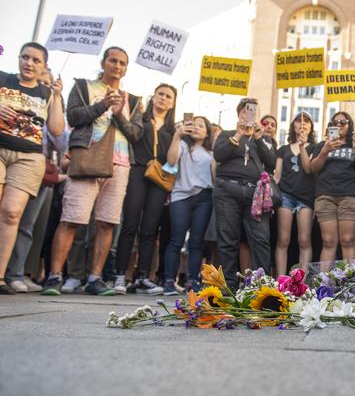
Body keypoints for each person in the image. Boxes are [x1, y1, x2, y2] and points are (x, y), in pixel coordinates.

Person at [42, 46, 143, 296]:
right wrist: (102, 105)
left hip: (119, 164)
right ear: (104, 62)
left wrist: (119, 115)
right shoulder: (83, 87)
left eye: (122, 62)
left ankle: (95, 278)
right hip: (87, 158)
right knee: (72, 219)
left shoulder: (135, 99)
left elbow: (136, 134)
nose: (117, 66)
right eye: (113, 60)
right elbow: (74, 117)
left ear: (126, 68)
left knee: (107, 223)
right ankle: (54, 276)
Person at [0, 42, 64, 295]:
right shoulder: (3, 79)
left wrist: (57, 96)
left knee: (12, 214)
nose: (29, 63)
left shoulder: (47, 94)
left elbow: (57, 129)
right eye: (25, 57)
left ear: (43, 66)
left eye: (36, 60)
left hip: (29, 158)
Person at [113, 83, 177, 295]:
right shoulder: (141, 117)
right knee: (130, 223)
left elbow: (173, 160)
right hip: (138, 171)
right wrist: (120, 115)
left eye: (168, 96)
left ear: (173, 102)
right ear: (153, 96)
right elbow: (131, 134)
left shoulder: (172, 128)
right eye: (160, 94)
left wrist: (177, 136)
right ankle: (120, 275)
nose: (163, 98)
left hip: (159, 178)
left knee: (150, 229)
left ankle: (142, 277)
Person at [212, 98, 275, 289]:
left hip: (255, 194)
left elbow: (271, 162)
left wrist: (257, 138)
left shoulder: (263, 139)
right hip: (227, 190)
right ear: (238, 114)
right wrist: (239, 135)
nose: (248, 116)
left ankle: (260, 286)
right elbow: (219, 155)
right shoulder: (227, 134)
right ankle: (228, 287)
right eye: (244, 112)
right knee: (227, 239)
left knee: (261, 239)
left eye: (252, 113)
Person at [310, 111, 355, 262]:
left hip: (350, 195)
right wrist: (325, 150)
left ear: (350, 126)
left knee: (348, 240)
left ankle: (350, 283)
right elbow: (313, 169)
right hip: (325, 195)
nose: (338, 125)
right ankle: (324, 284)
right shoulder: (322, 145)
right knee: (328, 242)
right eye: (334, 123)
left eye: (343, 122)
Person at [163, 116, 213, 295]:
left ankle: (193, 281)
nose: (197, 128)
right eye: (194, 125)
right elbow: (170, 161)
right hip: (181, 196)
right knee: (176, 240)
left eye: (202, 125)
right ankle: (169, 281)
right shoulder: (184, 146)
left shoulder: (211, 153)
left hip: (204, 198)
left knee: (196, 243)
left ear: (208, 132)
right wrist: (177, 135)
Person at [273, 112, 315, 276]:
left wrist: (303, 146)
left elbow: (308, 168)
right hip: (286, 196)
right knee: (283, 239)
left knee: (304, 240)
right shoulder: (283, 149)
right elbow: (277, 176)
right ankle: (281, 280)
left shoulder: (314, 147)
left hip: (306, 198)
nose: (302, 124)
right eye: (298, 121)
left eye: (306, 122)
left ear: (311, 127)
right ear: (293, 126)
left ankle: (302, 283)